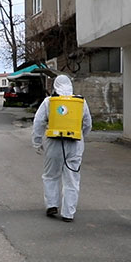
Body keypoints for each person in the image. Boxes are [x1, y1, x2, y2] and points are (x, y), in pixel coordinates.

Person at [32, 75, 92, 222]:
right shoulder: (80, 102)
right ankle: (68, 213)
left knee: (51, 175)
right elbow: (88, 124)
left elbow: (38, 122)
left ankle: (52, 204)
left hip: (54, 144)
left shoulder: (49, 102)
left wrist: (37, 141)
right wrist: (79, 137)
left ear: (55, 86)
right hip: (75, 145)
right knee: (72, 179)